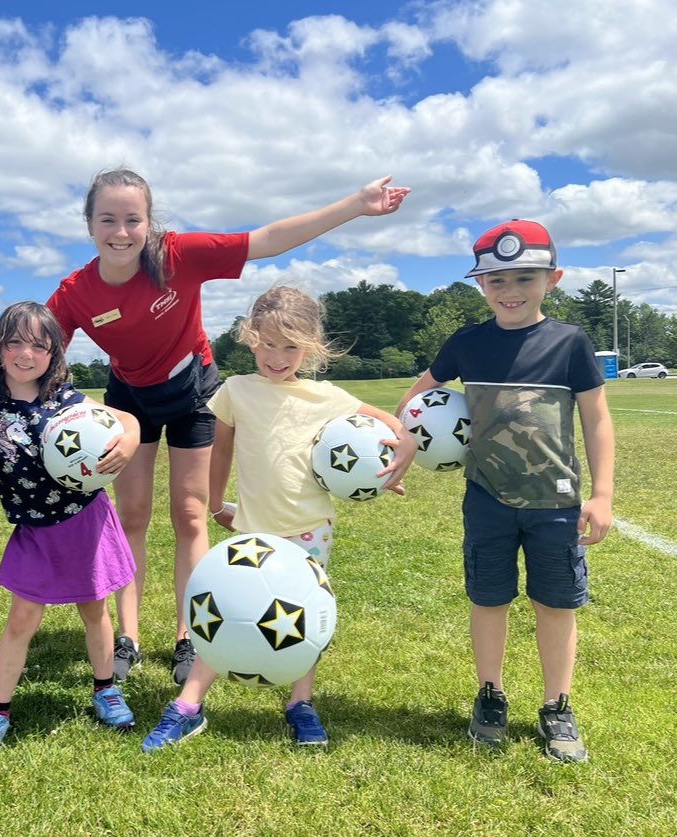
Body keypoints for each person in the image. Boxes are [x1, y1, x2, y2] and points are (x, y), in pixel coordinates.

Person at [44, 170, 411, 685]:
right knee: (132, 515)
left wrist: (355, 204)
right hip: (131, 402)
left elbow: (266, 239)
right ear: (89, 225)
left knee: (191, 515)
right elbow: (30, 349)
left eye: (133, 219)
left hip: (195, 392)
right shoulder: (77, 291)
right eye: (108, 219)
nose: (121, 232)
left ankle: (188, 637)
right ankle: (127, 636)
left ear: (149, 224)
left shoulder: (176, 257)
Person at [141, 285, 417, 752]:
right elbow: (221, 451)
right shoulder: (236, 391)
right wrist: (214, 505)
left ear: (309, 348)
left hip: (309, 530)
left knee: (304, 619)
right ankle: (188, 707)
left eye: (290, 346)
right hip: (252, 531)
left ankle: (300, 704)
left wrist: (403, 448)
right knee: (223, 614)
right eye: (268, 343)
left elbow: (391, 426)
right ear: (250, 338)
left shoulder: (325, 396)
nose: (277, 356)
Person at [397, 219, 614, 763]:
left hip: (556, 504)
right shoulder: (467, 344)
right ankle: (490, 694)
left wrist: (603, 494)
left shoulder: (569, 342)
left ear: (553, 279)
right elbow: (419, 398)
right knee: (488, 599)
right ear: (479, 285)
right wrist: (400, 446)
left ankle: (557, 706)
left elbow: (597, 421)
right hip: (487, 499)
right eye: (496, 281)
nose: (510, 291)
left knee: (555, 604)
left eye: (524, 278)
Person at [0, 302, 141, 757]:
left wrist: (131, 440)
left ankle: (106, 690)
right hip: (35, 528)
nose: (26, 354)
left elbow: (127, 420)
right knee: (22, 619)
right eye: (15, 343)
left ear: (54, 353)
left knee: (94, 610)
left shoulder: (63, 397)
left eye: (39, 346)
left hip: (85, 520)